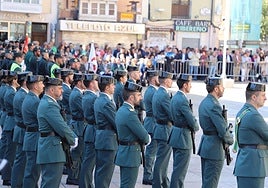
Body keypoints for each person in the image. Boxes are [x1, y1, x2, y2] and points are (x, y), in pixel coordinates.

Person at [36, 77, 78, 188]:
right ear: (52, 90)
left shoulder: (49, 102)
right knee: (51, 183)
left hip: (51, 148)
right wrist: (73, 139)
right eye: (59, 88)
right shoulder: (49, 105)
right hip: (52, 150)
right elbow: (61, 126)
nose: (62, 90)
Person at [197, 77, 234, 188]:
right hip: (214, 148)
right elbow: (222, 130)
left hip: (207, 146)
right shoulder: (214, 105)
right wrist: (230, 139)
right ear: (216, 88)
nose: (224, 89)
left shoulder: (205, 102)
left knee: (207, 182)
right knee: (211, 184)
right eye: (222, 86)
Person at [115, 81, 150, 188]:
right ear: (131, 98)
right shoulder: (130, 114)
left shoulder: (122, 110)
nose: (141, 98)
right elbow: (144, 136)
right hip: (130, 155)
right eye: (138, 95)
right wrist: (148, 138)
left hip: (125, 153)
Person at [233, 82, 268, 188]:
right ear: (253, 97)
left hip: (247, 165)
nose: (265, 98)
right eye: (262, 95)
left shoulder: (244, 111)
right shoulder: (253, 115)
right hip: (253, 167)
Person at [169, 74, 199, 188]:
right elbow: (191, 120)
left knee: (177, 168)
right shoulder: (182, 100)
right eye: (190, 84)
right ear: (185, 85)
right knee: (180, 171)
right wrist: (196, 127)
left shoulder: (176, 97)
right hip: (183, 137)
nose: (191, 86)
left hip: (176, 133)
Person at [94, 75, 117, 188]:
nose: (114, 87)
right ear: (107, 87)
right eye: (112, 85)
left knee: (100, 171)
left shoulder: (100, 99)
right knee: (105, 173)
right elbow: (116, 121)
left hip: (102, 138)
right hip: (108, 140)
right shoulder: (107, 102)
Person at [22, 75, 45, 188]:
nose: (43, 85)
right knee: (32, 173)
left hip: (32, 137)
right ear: (35, 86)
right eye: (41, 83)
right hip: (34, 138)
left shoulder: (32, 97)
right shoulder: (34, 100)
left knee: (32, 172)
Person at [152, 71, 173, 188]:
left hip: (160, 128)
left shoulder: (158, 92)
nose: (172, 81)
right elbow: (171, 114)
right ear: (166, 81)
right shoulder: (164, 95)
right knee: (161, 160)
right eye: (170, 79)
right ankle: (157, 184)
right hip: (164, 129)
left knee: (163, 160)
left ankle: (164, 183)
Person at [11, 71, 32, 188]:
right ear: (25, 82)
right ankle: (16, 184)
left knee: (21, 160)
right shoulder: (23, 96)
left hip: (22, 129)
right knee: (20, 161)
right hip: (23, 130)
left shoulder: (22, 94)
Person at [79, 73, 99, 188]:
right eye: (96, 81)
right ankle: (85, 184)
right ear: (91, 83)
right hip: (92, 130)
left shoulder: (87, 96)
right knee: (89, 162)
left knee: (89, 161)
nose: (98, 84)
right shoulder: (91, 97)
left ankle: (86, 183)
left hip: (90, 129)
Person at [67, 73, 86, 185]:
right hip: (78, 125)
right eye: (84, 81)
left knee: (79, 153)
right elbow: (84, 110)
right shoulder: (77, 95)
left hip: (79, 124)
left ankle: (75, 175)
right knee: (77, 153)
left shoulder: (78, 93)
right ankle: (73, 176)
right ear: (79, 82)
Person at [1, 70, 20, 186]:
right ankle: (6, 176)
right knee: (10, 152)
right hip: (11, 123)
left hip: (10, 121)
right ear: (13, 80)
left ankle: (7, 175)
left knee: (10, 151)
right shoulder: (11, 93)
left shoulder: (11, 91)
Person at [142, 70, 159, 185]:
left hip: (150, 121)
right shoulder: (152, 92)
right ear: (153, 79)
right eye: (157, 77)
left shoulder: (151, 90)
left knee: (152, 151)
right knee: (151, 151)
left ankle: (149, 173)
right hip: (152, 122)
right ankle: (148, 175)